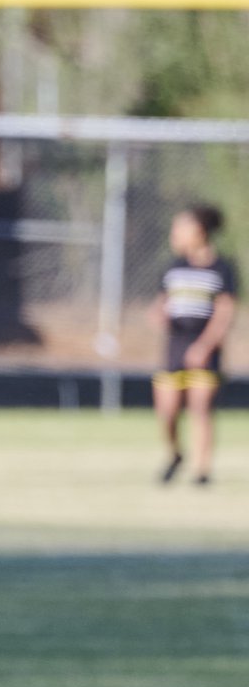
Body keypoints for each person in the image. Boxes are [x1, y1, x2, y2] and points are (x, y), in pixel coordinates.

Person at [153, 202, 236, 486]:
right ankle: (176, 454)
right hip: (175, 346)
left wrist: (204, 346)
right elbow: (162, 301)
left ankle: (202, 471)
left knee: (201, 409)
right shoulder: (174, 266)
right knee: (168, 411)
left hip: (204, 349)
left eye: (180, 228)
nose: (174, 234)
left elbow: (225, 311)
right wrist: (159, 314)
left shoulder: (222, 268)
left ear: (199, 231)